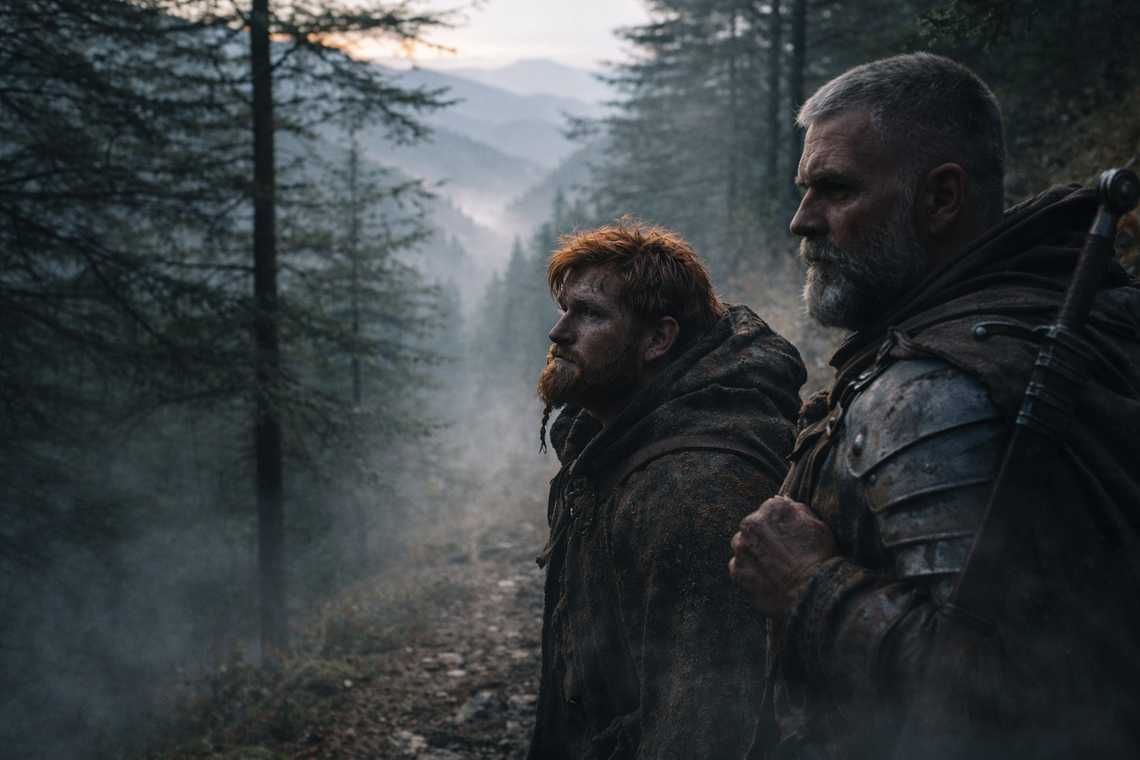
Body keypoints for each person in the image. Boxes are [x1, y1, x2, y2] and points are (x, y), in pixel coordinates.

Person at [729, 52, 1140, 759]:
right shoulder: (1082, 314)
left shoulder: (931, 399)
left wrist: (808, 585)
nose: (802, 221)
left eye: (835, 189)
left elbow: (1000, 697)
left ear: (941, 198)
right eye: (805, 190)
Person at [527, 221, 805, 760]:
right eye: (564, 309)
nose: (559, 332)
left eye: (589, 313)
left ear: (658, 339)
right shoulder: (605, 441)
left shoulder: (697, 492)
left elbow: (705, 729)